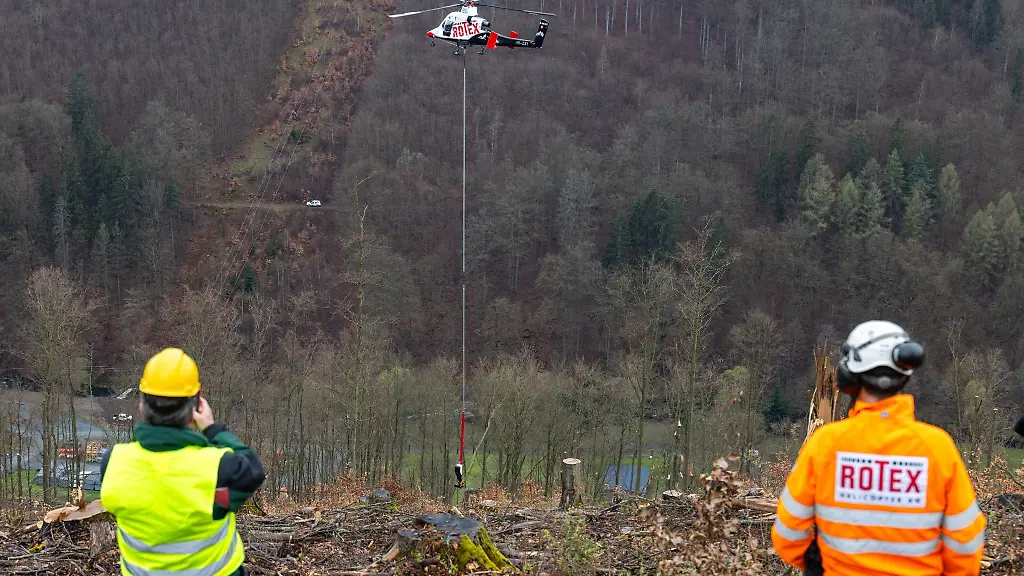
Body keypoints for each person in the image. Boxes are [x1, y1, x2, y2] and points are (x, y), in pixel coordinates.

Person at [772, 321, 986, 575]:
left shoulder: (825, 444)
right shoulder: (937, 448)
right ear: (905, 375)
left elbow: (787, 535)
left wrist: (820, 565)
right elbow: (966, 545)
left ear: (849, 376)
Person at [100, 348, 265, 576]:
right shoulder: (218, 469)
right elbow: (253, 469)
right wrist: (212, 429)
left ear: (141, 406)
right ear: (197, 405)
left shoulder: (113, 463)